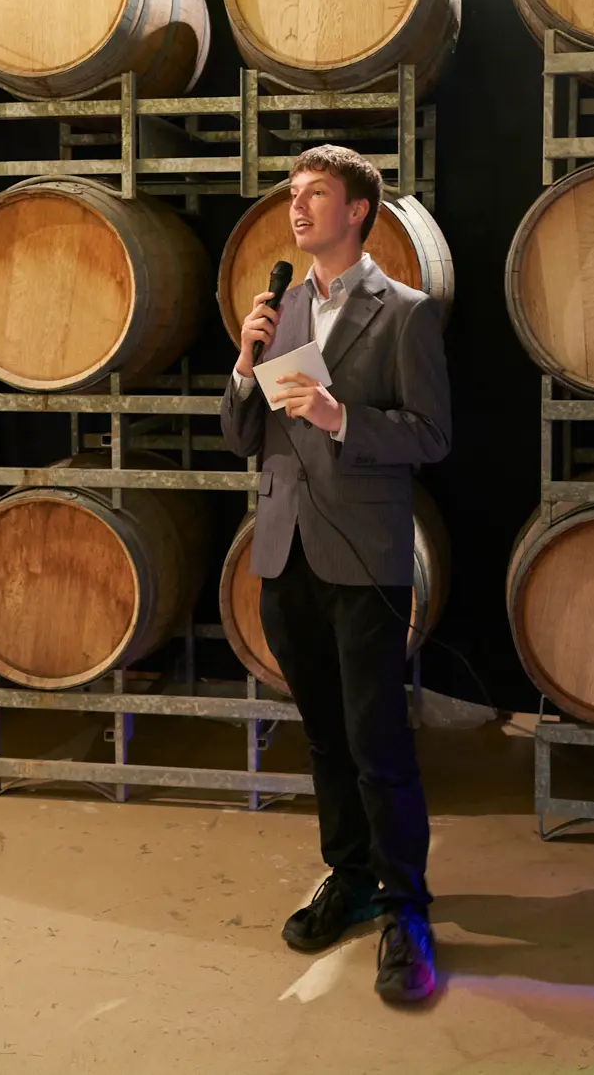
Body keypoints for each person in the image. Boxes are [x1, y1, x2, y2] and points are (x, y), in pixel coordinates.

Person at [219, 144, 452, 1004]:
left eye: (315, 192)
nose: (297, 205)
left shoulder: (407, 314)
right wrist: (244, 366)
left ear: (358, 211)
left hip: (363, 555)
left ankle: (407, 909)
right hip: (285, 552)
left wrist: (340, 414)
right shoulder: (278, 309)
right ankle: (349, 875)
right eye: (293, 192)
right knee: (323, 736)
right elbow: (242, 438)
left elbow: (432, 435)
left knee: (377, 741)